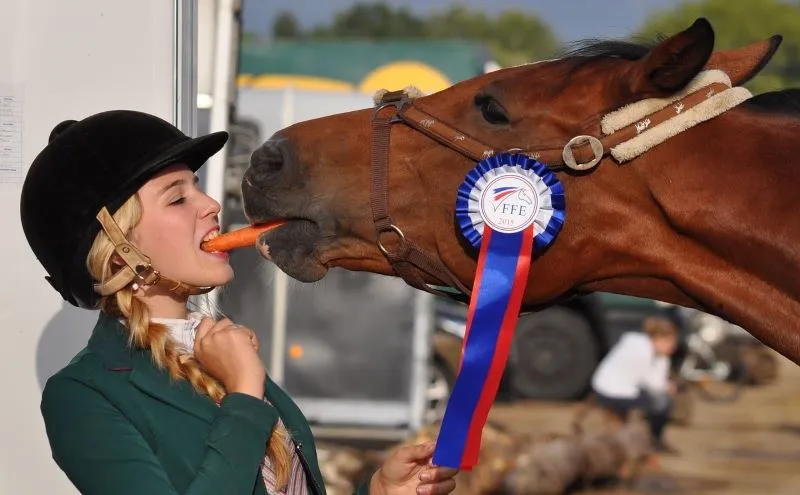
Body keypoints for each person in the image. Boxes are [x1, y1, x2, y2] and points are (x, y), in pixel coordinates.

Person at [20, 110, 459, 495]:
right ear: (119, 252)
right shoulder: (83, 396)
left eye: (197, 188)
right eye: (177, 198)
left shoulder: (217, 346)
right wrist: (245, 396)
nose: (211, 205)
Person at [590, 317, 680, 454]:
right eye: (669, 342)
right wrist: (669, 387)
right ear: (657, 339)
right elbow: (654, 384)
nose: (672, 347)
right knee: (662, 403)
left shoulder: (645, 347)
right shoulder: (641, 351)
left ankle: (647, 439)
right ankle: (653, 440)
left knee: (657, 400)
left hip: (610, 388)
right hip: (611, 391)